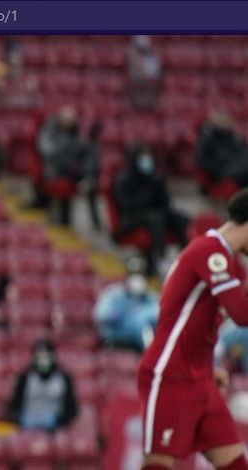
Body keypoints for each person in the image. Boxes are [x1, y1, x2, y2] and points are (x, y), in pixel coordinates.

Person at [137, 188, 248, 470]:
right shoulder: (209, 251)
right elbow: (242, 314)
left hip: (200, 376)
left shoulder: (230, 263)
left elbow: (199, 321)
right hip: (171, 373)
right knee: (158, 464)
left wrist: (207, 366)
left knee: (233, 463)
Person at [112, 142, 189, 275]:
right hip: (131, 217)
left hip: (154, 213)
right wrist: (147, 197)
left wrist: (159, 189)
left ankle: (186, 258)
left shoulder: (155, 177)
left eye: (149, 157)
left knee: (180, 218)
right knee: (156, 218)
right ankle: (161, 258)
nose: (147, 161)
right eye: (143, 157)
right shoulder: (124, 179)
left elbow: (165, 203)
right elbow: (125, 205)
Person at [35, 105, 101, 228]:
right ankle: (86, 179)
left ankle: (95, 221)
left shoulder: (76, 133)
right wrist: (67, 145)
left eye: (72, 120)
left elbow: (84, 151)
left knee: (91, 151)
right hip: (55, 169)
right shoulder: (49, 132)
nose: (69, 123)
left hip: (74, 169)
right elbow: (48, 152)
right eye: (66, 120)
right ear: (59, 119)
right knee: (76, 160)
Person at [6, 338, 78, 432]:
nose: (43, 359)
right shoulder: (24, 377)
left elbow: (71, 408)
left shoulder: (63, 378)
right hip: (28, 423)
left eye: (46, 355)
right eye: (40, 355)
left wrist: (60, 420)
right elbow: (14, 405)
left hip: (54, 424)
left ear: (53, 356)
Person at [92, 257, 159, 353]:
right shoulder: (114, 294)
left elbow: (160, 314)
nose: (138, 278)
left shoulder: (150, 297)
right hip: (118, 339)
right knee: (140, 319)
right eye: (134, 274)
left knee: (145, 318)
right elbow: (100, 315)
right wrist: (117, 317)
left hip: (139, 343)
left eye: (141, 274)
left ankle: (152, 351)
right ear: (127, 276)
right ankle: (151, 352)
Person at [196, 110, 248, 188]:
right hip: (223, 170)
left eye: (226, 120)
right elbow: (202, 160)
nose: (224, 122)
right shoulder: (207, 139)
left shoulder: (235, 137)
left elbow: (243, 151)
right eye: (221, 120)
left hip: (239, 165)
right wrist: (218, 168)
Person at [127, 35, 162, 110]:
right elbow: (131, 76)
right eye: (139, 49)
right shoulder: (131, 58)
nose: (142, 51)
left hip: (149, 86)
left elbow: (154, 75)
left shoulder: (153, 59)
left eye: (143, 49)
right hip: (136, 87)